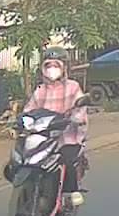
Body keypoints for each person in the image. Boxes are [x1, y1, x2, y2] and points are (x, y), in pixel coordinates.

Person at [23, 47, 87, 205]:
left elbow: (80, 108)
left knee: (67, 159)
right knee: (24, 158)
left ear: (64, 67)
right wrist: (22, 120)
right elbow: (29, 109)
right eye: (48, 65)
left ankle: (72, 190)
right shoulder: (40, 90)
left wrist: (75, 118)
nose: (52, 69)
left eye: (56, 65)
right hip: (44, 136)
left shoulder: (73, 87)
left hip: (68, 135)